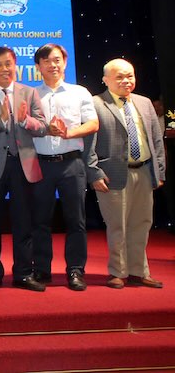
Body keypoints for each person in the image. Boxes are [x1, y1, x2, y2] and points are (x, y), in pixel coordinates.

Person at [85, 59, 165, 289]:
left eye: (130, 75)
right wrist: (94, 172)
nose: (126, 81)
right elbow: (88, 143)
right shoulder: (96, 103)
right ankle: (117, 272)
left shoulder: (144, 102)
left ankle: (139, 271)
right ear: (105, 79)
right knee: (117, 225)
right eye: (119, 76)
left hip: (144, 172)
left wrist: (159, 171)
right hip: (112, 175)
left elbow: (156, 140)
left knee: (142, 223)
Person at [0, 47, 48, 292]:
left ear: (15, 65)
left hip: (23, 165)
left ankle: (23, 273)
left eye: (8, 64)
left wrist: (23, 120)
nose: (4, 69)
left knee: (23, 221)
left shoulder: (29, 93)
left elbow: (42, 127)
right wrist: (1, 120)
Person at [32, 43, 98, 291]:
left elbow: (92, 123)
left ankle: (75, 270)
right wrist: (42, 129)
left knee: (76, 220)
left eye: (57, 60)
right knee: (40, 220)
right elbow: (25, 128)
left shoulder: (79, 92)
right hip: (41, 165)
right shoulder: (31, 95)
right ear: (38, 66)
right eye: (47, 61)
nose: (53, 65)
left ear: (65, 62)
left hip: (72, 163)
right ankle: (41, 269)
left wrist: (69, 133)